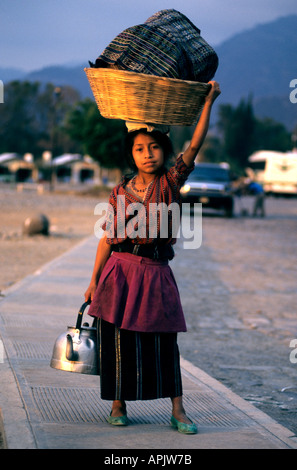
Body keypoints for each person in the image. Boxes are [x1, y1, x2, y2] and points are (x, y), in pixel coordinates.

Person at [84, 81, 221, 434]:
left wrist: (208, 102)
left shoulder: (171, 181)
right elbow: (106, 241)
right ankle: (118, 403)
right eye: (140, 149)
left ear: (164, 151)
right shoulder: (119, 192)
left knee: (164, 342)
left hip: (156, 272)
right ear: (131, 155)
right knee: (117, 340)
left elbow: (195, 144)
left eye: (154, 147)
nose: (148, 154)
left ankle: (178, 410)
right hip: (119, 272)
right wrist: (93, 281)